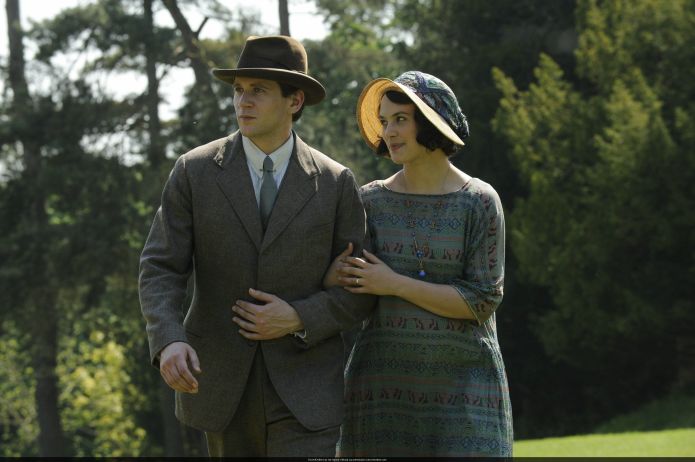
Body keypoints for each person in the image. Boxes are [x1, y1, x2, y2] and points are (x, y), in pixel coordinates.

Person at [139, 35, 374, 457]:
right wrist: (169, 339)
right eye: (238, 90)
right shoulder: (193, 172)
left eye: (258, 90)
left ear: (294, 100)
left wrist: (298, 317)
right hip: (219, 387)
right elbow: (160, 267)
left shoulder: (336, 183)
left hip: (307, 392)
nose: (242, 102)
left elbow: (359, 291)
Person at [324, 71, 513, 457]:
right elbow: (347, 290)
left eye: (400, 119)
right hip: (382, 396)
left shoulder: (479, 201)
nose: (388, 131)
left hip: (467, 393)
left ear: (431, 123)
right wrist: (333, 275)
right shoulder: (370, 201)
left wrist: (394, 283)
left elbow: (482, 301)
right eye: (384, 120)